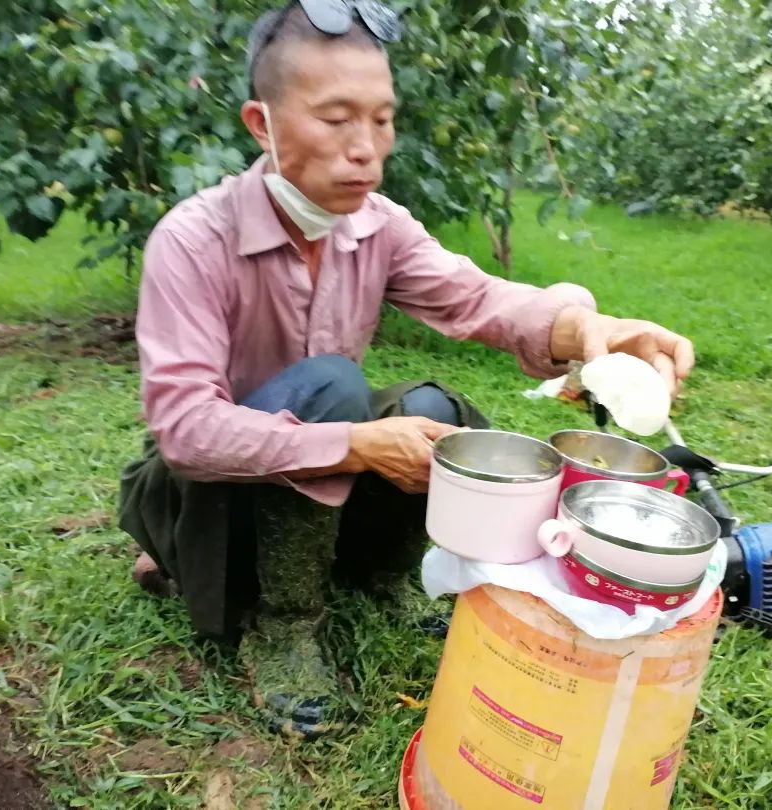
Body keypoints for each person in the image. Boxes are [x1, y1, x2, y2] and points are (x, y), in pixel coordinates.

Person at [118, 0, 694, 739]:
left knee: (437, 409)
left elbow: (480, 298)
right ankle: (286, 626)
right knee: (334, 388)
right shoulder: (194, 240)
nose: (366, 148)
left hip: (302, 489)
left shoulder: (377, 226)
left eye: (382, 119)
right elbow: (187, 431)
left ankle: (383, 575)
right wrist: (355, 445)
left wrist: (593, 331)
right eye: (336, 119)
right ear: (262, 124)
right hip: (207, 495)